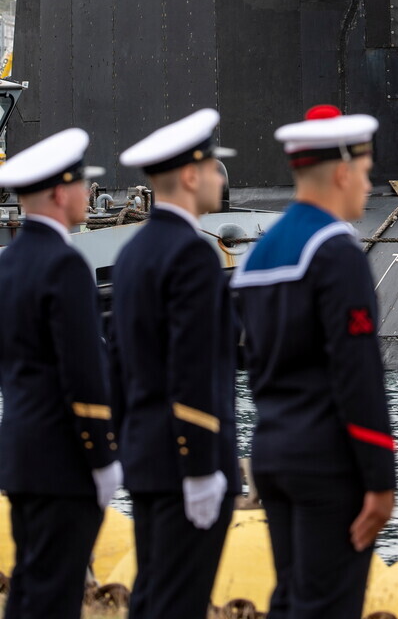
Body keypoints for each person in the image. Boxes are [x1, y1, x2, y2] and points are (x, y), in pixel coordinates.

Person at [232, 104, 396, 619]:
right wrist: (381, 478)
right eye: (365, 173)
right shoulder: (336, 251)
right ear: (342, 173)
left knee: (292, 600)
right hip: (329, 462)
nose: (368, 186)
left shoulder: (258, 256)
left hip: (273, 454)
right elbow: (358, 372)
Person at [109, 110, 240, 619]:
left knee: (153, 596)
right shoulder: (193, 256)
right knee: (180, 602)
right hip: (188, 464)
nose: (219, 179)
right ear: (190, 176)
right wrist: (201, 469)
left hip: (146, 460)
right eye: (211, 168)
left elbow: (118, 365)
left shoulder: (132, 253)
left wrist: (126, 449)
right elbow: (194, 370)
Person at [0, 129, 121, 619]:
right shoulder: (66, 265)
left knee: (30, 587)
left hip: (20, 457)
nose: (88, 192)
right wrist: (104, 458)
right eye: (80, 183)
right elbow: (83, 373)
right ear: (57, 193)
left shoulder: (8, 264)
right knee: (57, 594)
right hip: (64, 461)